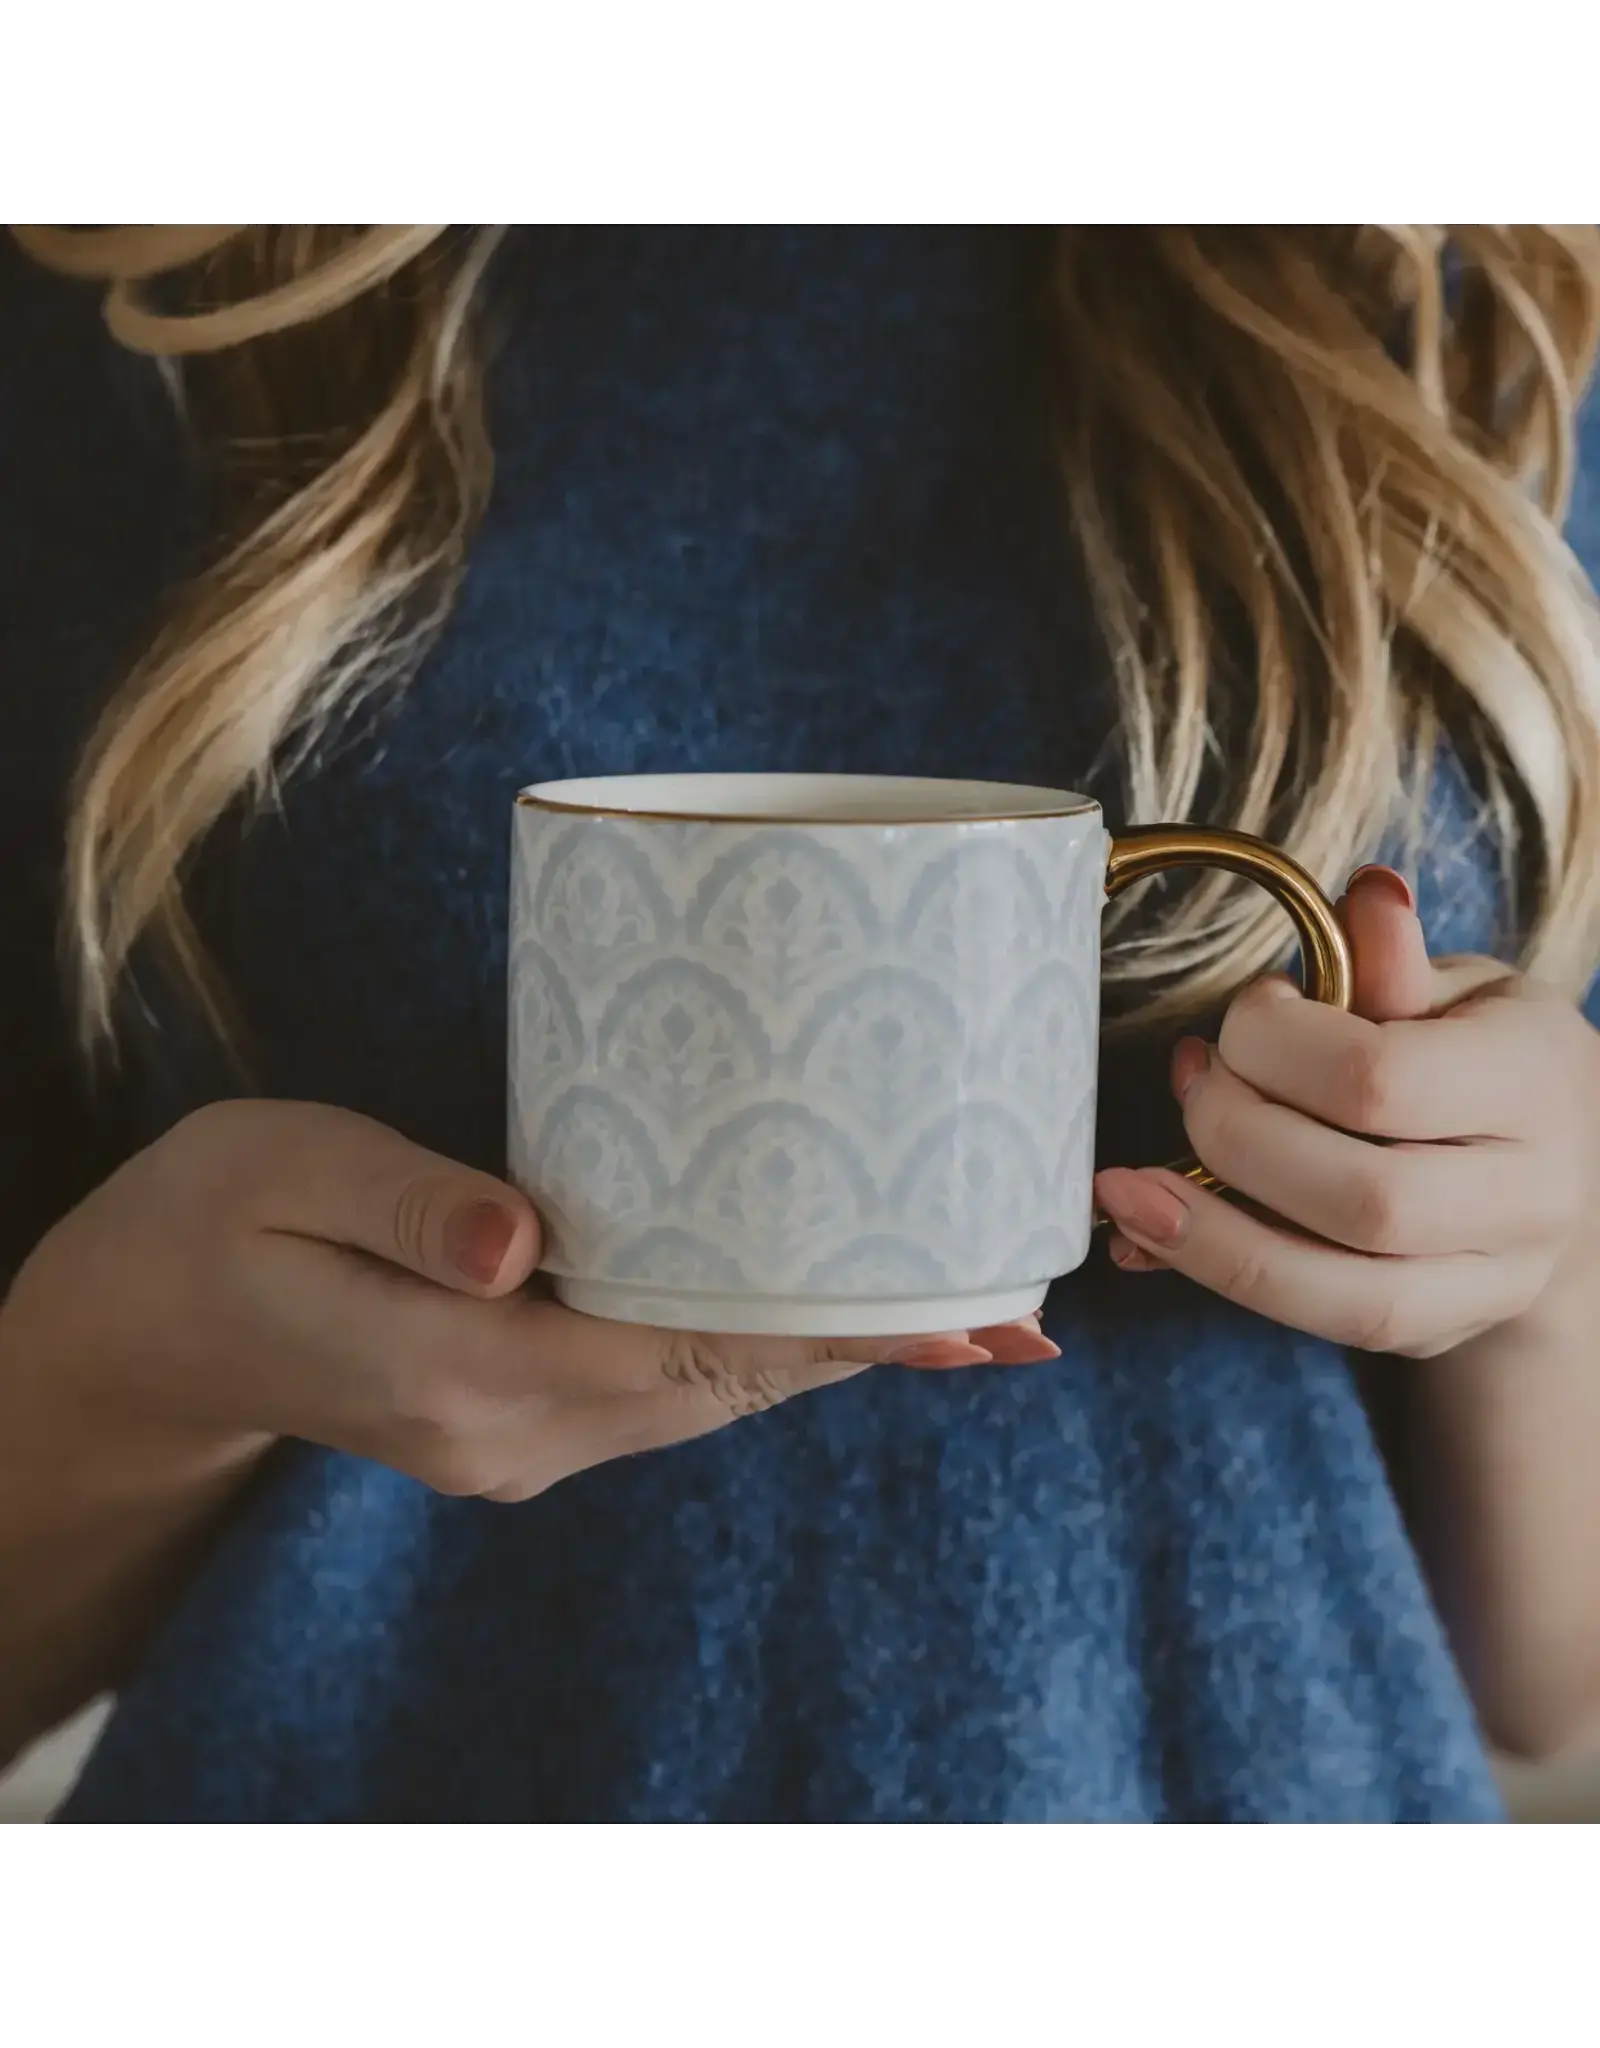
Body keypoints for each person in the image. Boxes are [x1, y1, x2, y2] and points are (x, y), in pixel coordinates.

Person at [2, 222, 1598, 1824]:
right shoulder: (147, 306)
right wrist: (146, 1352)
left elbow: (1545, 1678)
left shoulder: (1456, 316)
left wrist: (1557, 1263)